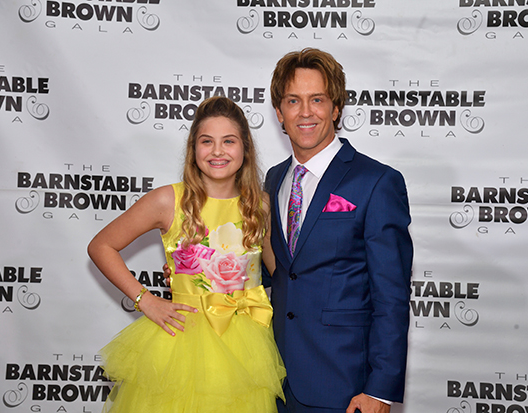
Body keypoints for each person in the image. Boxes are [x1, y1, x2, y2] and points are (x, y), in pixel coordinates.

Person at [88, 96, 286, 413]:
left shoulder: (259, 205)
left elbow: (279, 270)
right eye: (207, 141)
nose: (218, 151)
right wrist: (146, 300)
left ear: (245, 148)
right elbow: (101, 246)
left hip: (248, 347)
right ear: (194, 149)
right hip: (183, 341)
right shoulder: (169, 201)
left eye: (229, 141)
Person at [264, 48, 413, 413]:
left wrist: (379, 389)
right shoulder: (272, 179)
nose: (305, 112)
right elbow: (277, 273)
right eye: (293, 101)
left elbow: (391, 297)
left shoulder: (377, 182)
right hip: (272, 379)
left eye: (317, 99)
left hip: (344, 388)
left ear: (335, 108)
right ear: (279, 112)